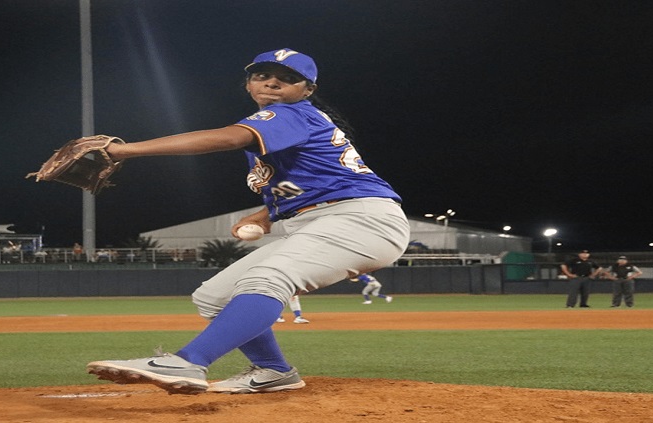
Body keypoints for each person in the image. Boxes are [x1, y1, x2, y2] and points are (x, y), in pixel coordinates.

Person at [85, 48, 410, 395]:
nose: (272, 83)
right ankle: (274, 371)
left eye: (288, 78)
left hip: (360, 219)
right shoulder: (287, 124)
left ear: (307, 90)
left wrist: (123, 150)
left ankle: (188, 360)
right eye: (262, 75)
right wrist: (266, 214)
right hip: (329, 219)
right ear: (249, 84)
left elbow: (228, 137)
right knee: (215, 296)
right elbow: (312, 183)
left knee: (267, 279)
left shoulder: (289, 114)